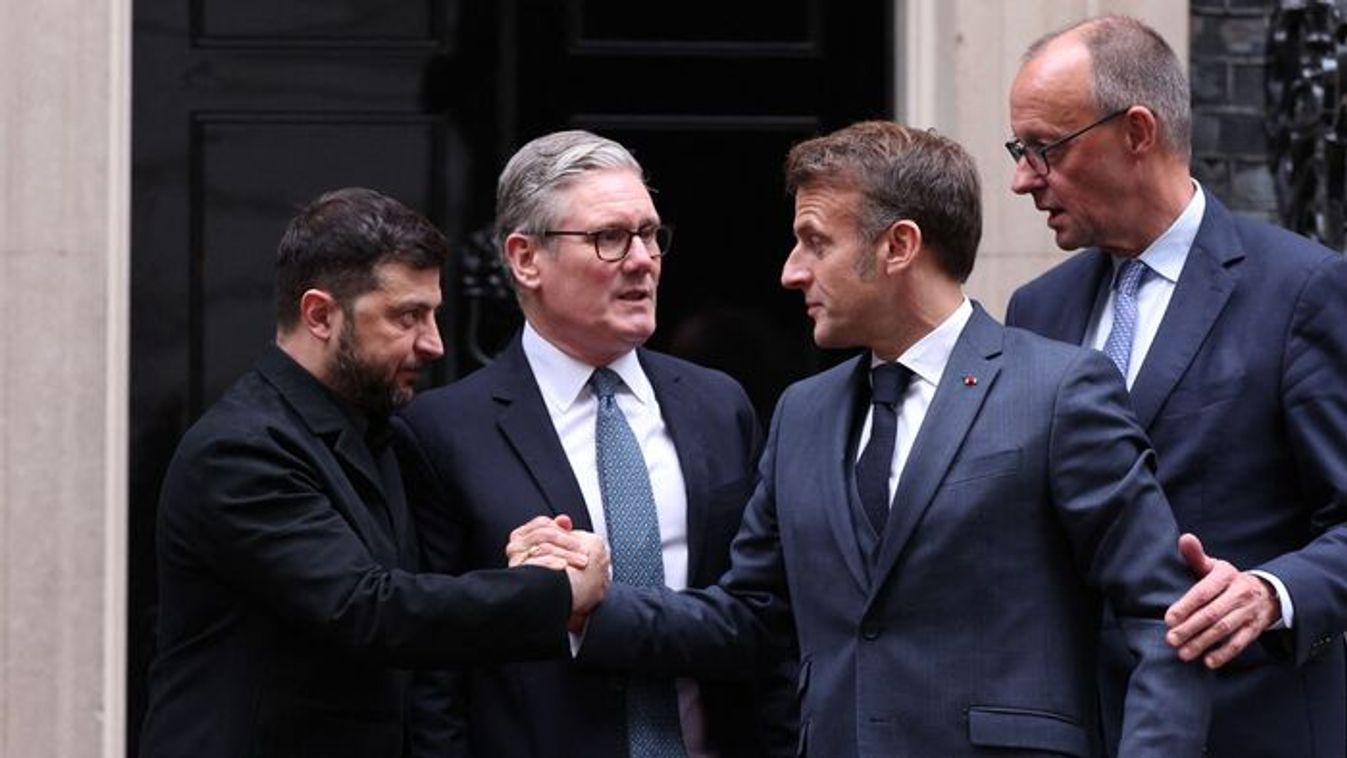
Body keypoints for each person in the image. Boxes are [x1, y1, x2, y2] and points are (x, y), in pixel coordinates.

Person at [522, 121, 1211, 756]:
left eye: (816, 242)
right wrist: (592, 608)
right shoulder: (803, 413)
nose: (792, 271)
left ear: (898, 247)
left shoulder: (1058, 391)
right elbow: (750, 618)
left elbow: (1163, 616)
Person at [137, 187, 610, 758]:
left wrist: (528, 557)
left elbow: (413, 595)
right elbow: (369, 610)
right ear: (320, 315)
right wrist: (554, 590)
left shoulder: (375, 431)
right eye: (407, 316)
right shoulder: (241, 450)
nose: (434, 344)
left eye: (433, 315)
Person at [1004, 15, 1347, 758]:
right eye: (1018, 150)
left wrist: (1273, 592)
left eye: (1045, 149)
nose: (1022, 179)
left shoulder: (1301, 291)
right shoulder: (1036, 311)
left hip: (1247, 728)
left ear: (1137, 131)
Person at [393, 131, 792, 758]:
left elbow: (765, 618)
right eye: (610, 237)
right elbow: (434, 673)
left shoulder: (719, 406)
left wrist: (590, 612)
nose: (643, 260)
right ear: (526, 258)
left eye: (650, 234)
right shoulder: (444, 432)